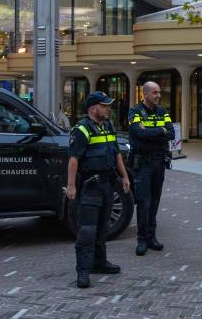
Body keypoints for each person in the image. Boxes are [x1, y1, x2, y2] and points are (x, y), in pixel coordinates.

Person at [66, 91, 131, 288]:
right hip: (90, 186)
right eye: (105, 106)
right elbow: (74, 159)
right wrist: (70, 186)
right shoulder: (82, 130)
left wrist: (125, 176)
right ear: (93, 108)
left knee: (103, 227)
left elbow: (117, 153)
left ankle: (99, 263)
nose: (108, 109)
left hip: (108, 185)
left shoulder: (108, 126)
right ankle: (83, 271)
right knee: (87, 230)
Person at [128, 81, 174, 256]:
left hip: (159, 162)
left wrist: (152, 131)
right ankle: (142, 240)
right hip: (142, 163)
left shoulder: (163, 111)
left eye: (159, 92)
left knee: (155, 201)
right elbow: (138, 134)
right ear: (145, 94)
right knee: (143, 202)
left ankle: (152, 237)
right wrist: (159, 131)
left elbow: (171, 133)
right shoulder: (135, 111)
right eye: (154, 93)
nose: (158, 96)